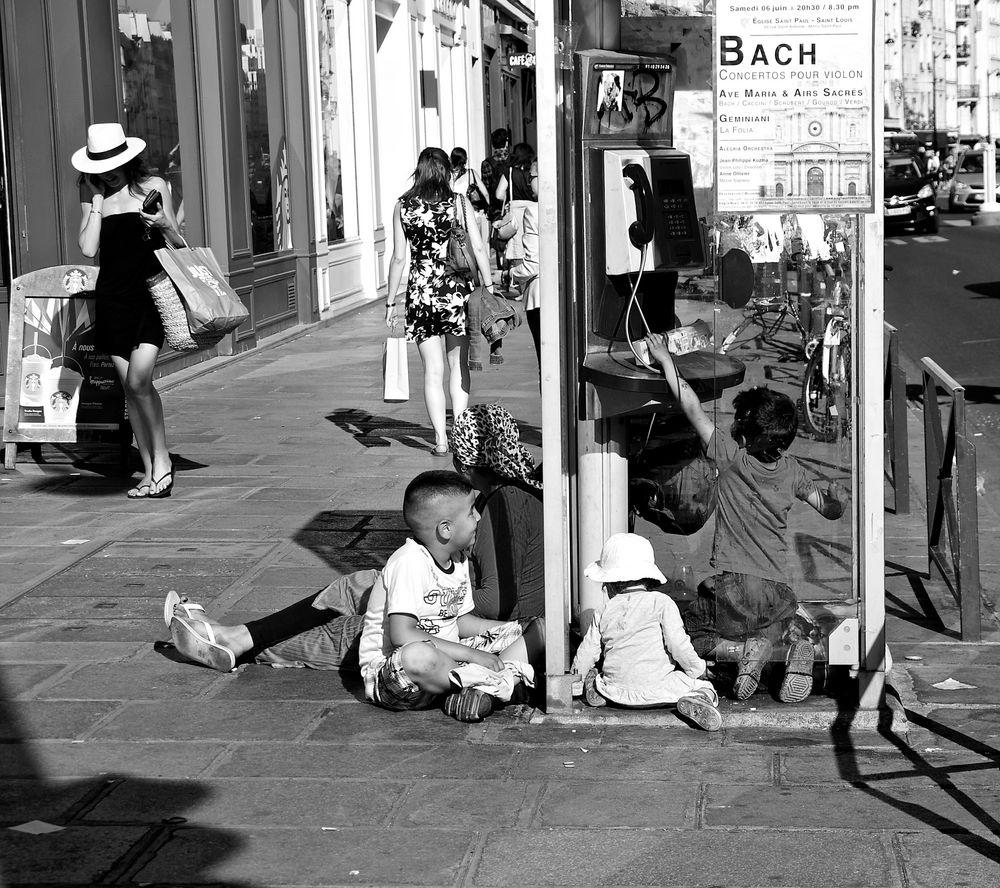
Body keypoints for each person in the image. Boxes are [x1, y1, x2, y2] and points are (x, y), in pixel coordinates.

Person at [165, 408, 546, 676]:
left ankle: (237, 643)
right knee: (357, 584)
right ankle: (236, 637)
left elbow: (495, 601)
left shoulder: (503, 503)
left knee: (337, 635)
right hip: (464, 615)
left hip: (481, 627)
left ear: (468, 462)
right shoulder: (519, 494)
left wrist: (421, 591)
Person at [644, 332, 847, 704]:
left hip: (734, 584)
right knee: (779, 621)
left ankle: (742, 654)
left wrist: (665, 360)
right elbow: (828, 509)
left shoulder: (732, 457)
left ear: (748, 435)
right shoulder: (792, 471)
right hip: (776, 588)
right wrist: (840, 499)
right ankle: (785, 647)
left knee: (689, 629)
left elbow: (692, 407)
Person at [357, 470, 542, 721]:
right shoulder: (410, 562)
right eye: (471, 511)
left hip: (451, 663)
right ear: (446, 529)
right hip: (398, 677)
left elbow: (462, 621)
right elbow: (403, 635)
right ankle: (496, 686)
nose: (478, 516)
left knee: (541, 629)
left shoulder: (458, 559)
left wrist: (509, 630)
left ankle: (478, 688)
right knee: (417, 656)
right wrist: (473, 655)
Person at [73, 123, 185, 499]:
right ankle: (152, 468)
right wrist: (99, 202)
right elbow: (88, 249)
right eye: (101, 164)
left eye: (115, 161)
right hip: (112, 299)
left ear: (128, 157)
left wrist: (163, 223)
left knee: (140, 380)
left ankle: (163, 459)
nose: (109, 170)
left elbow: (180, 244)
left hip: (151, 294)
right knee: (130, 388)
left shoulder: (154, 186)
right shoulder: (94, 198)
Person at [385, 147, 494, 457]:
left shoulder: (403, 206)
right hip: (455, 292)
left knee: (432, 371)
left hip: (420, 295)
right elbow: (479, 248)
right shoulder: (458, 204)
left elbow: (397, 258)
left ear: (418, 171)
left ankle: (441, 439)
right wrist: (488, 286)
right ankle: (459, 431)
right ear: (447, 171)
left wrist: (390, 302)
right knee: (458, 366)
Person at [570, 532, 722, 731]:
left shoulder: (604, 610)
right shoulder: (661, 603)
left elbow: (587, 651)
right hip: (658, 689)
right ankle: (700, 699)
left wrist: (573, 684)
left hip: (616, 690)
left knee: (599, 676)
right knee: (704, 686)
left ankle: (597, 690)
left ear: (611, 583)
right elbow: (678, 645)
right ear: (649, 578)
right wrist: (698, 670)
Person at [450, 403, 544, 621]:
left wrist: (434, 598)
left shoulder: (503, 504)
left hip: (510, 628)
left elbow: (495, 603)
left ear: (463, 465)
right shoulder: (496, 494)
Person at [451, 146, 502, 369]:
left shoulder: (448, 178)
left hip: (457, 224)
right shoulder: (471, 173)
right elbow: (485, 192)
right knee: (478, 247)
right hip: (475, 215)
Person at [495, 143, 541, 368]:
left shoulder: (509, 172)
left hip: (540, 296)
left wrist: (505, 276)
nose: (530, 180)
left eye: (533, 176)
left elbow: (533, 266)